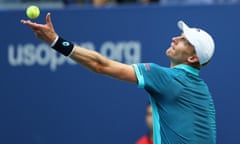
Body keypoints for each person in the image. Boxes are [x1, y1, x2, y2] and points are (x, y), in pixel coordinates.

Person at [21, 13, 216, 144]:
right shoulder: (203, 91)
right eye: (179, 35)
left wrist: (56, 41)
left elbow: (100, 65)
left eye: (184, 40)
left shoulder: (166, 77)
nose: (175, 39)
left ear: (192, 58)